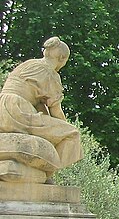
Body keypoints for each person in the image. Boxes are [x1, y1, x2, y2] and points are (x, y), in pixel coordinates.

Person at [0, 37, 83, 175]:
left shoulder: (29, 64)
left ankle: (36, 173)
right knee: (72, 135)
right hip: (18, 111)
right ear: (62, 58)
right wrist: (62, 129)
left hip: (3, 108)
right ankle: (49, 173)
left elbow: (40, 107)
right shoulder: (50, 74)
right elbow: (55, 111)